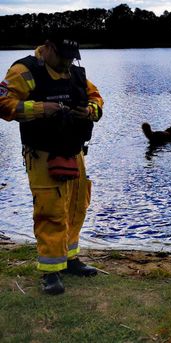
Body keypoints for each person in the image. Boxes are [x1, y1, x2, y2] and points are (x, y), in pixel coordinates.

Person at [0, 34, 104, 294]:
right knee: (50, 210)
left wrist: (90, 110)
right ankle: (50, 272)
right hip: (42, 154)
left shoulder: (74, 72)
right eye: (62, 57)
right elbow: (4, 105)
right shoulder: (24, 71)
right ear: (47, 49)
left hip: (74, 150)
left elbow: (97, 98)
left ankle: (70, 259)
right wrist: (38, 108)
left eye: (71, 58)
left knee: (76, 206)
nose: (67, 63)